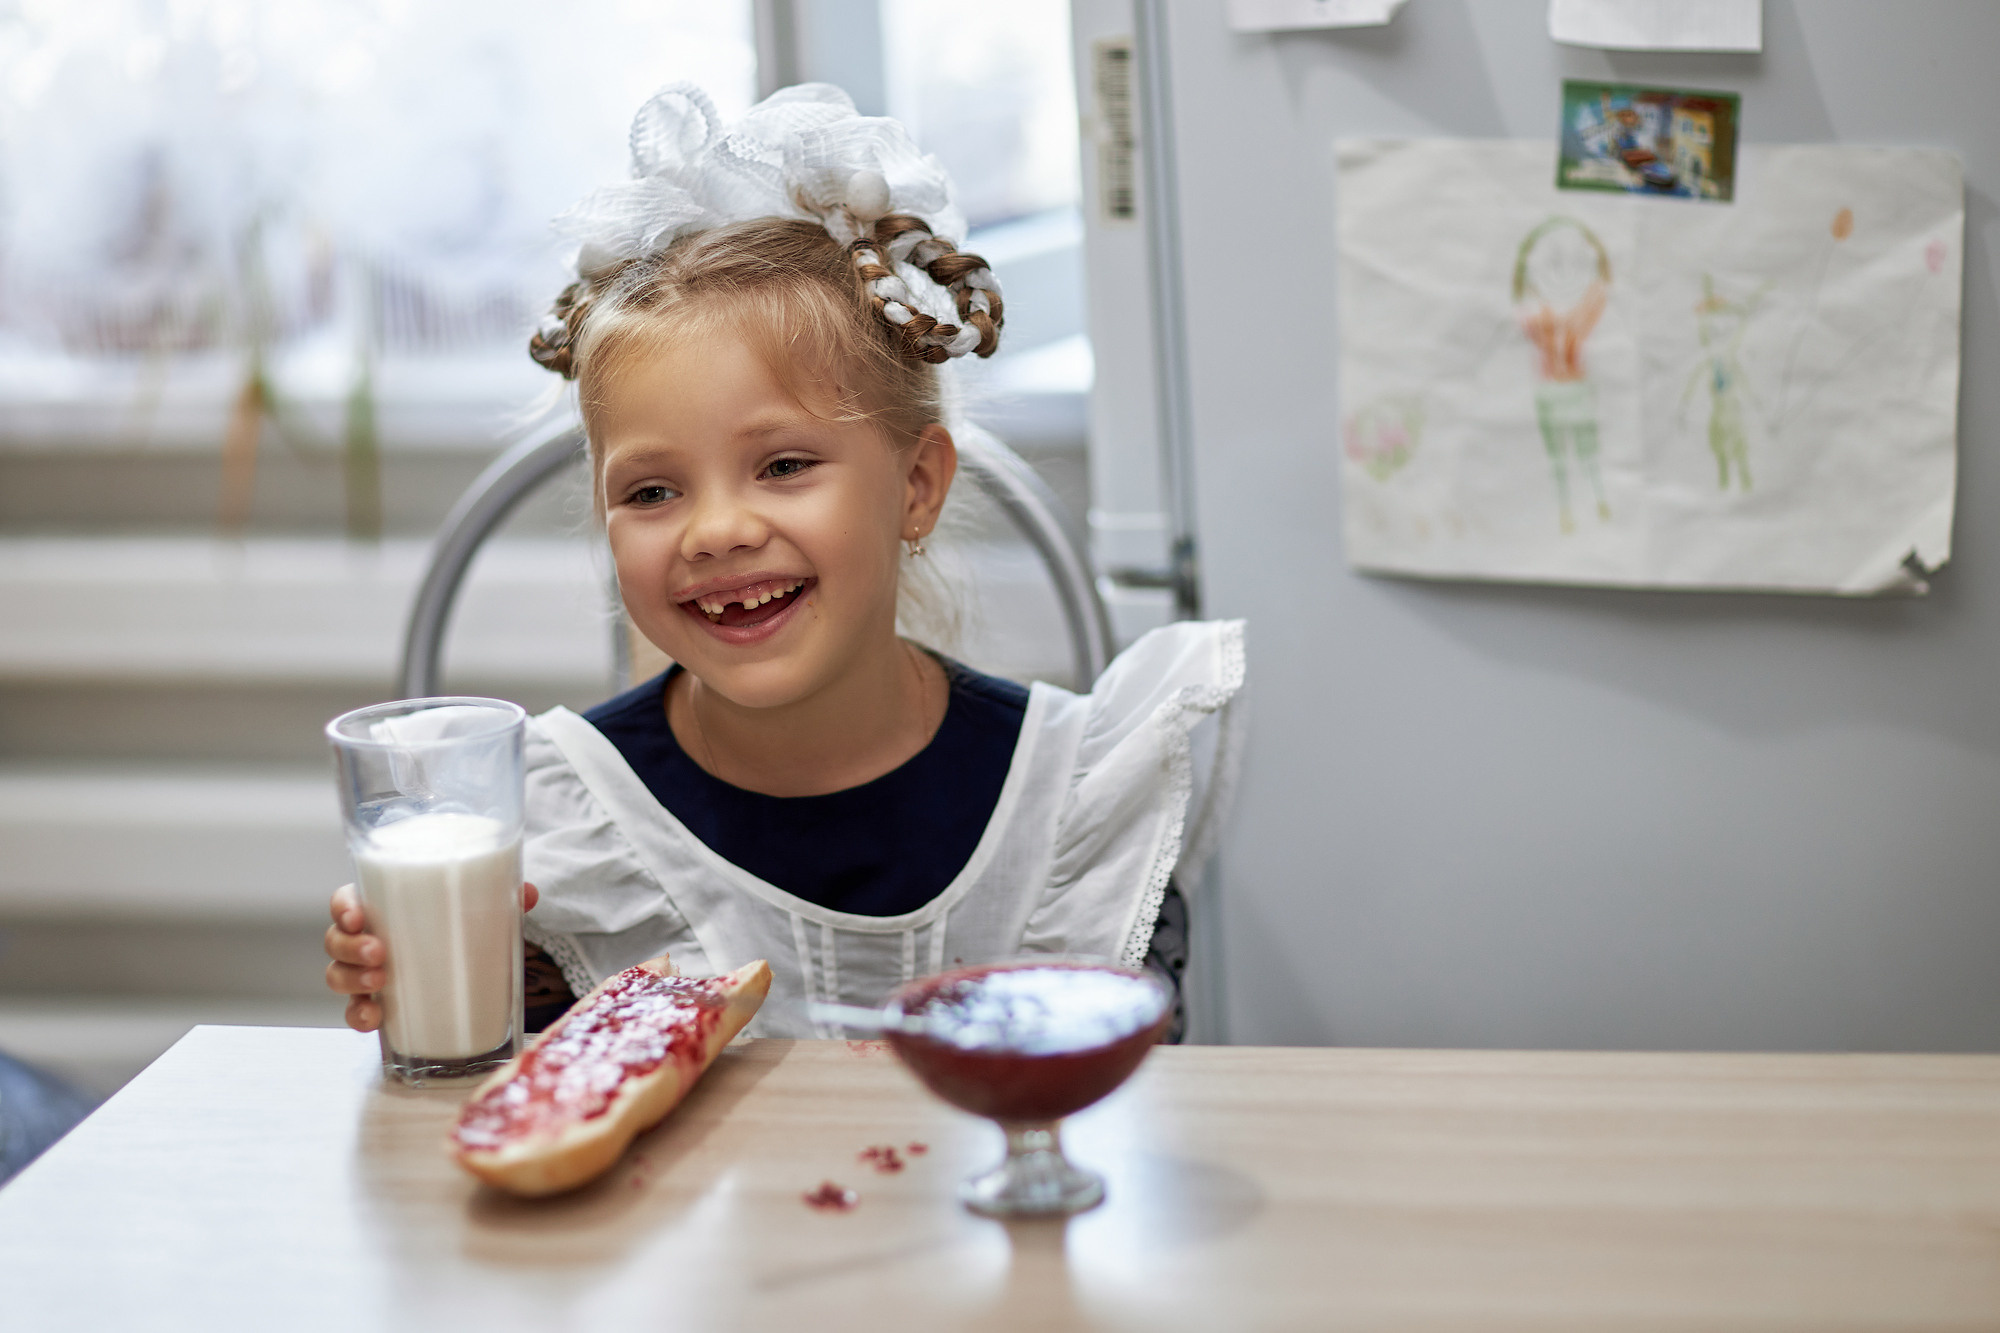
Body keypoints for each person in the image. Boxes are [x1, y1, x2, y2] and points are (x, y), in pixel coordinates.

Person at [323, 84, 1243, 1042]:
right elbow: (510, 1088)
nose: (715, 530)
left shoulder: (1069, 801)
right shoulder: (562, 826)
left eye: (785, 466)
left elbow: (1132, 1095)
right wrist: (434, 982)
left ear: (916, 486)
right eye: (652, 491)